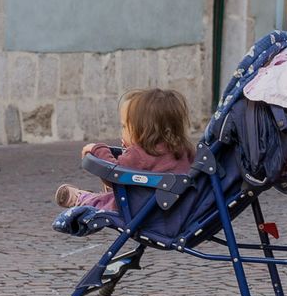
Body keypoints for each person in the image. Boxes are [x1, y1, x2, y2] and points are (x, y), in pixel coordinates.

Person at [54, 88, 195, 211]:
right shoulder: (186, 149)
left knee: (111, 201)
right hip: (177, 211)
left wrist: (98, 149)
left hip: (147, 212)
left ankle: (85, 199)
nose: (122, 131)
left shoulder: (140, 154)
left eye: (124, 127)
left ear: (143, 129)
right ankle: (110, 193)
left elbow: (113, 173)